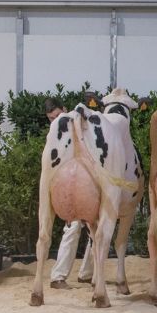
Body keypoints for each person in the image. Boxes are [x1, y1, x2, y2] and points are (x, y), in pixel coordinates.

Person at [47, 97, 94, 289]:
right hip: (71, 188)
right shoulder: (54, 135)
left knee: (95, 231)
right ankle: (58, 277)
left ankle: (86, 274)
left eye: (57, 115)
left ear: (65, 110)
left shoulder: (82, 127)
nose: (55, 120)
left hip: (88, 186)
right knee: (73, 229)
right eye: (51, 118)